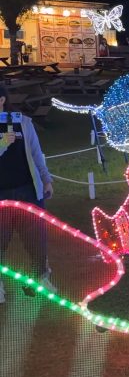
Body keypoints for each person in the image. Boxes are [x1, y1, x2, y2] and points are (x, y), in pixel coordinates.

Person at [0, 86, 55, 304]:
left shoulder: (23, 122)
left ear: (2, 99)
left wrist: (46, 179)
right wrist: (3, 143)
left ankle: (40, 278)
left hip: (28, 190)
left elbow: (36, 152)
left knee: (36, 238)